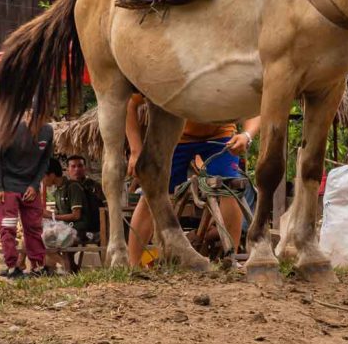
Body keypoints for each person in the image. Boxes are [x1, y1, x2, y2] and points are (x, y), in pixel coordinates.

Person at [125, 93, 260, 267]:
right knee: (151, 192)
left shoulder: (228, 73)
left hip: (220, 136)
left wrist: (247, 136)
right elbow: (130, 103)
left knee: (231, 186)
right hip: (174, 136)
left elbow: (256, 104)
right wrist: (135, 150)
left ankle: (230, 259)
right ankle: (133, 264)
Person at [0, 109, 53, 278]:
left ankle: (38, 266)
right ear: (24, 114)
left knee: (34, 227)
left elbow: (45, 160)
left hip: (30, 187)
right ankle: (12, 267)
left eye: (38, 114)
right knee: (8, 227)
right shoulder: (10, 129)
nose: (33, 118)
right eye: (30, 114)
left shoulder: (47, 131)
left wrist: (34, 185)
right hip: (9, 187)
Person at [64, 154, 102, 241]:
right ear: (67, 170)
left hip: (95, 227)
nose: (77, 169)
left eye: (80, 166)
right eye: (73, 166)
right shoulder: (64, 188)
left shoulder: (95, 186)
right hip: (71, 228)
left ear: (85, 168)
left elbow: (105, 207)